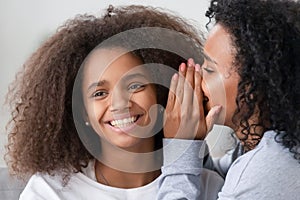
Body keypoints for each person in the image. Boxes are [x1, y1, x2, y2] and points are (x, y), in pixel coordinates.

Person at [5, 5, 223, 199]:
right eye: (99, 93)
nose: (120, 103)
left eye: (135, 85)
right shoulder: (50, 192)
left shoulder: (209, 187)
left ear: (161, 93)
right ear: (83, 114)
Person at [157, 0, 300, 199]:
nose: (196, 79)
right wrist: (190, 138)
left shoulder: (268, 167)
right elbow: (218, 176)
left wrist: (179, 147)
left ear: (252, 87)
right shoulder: (262, 146)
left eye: (208, 70)